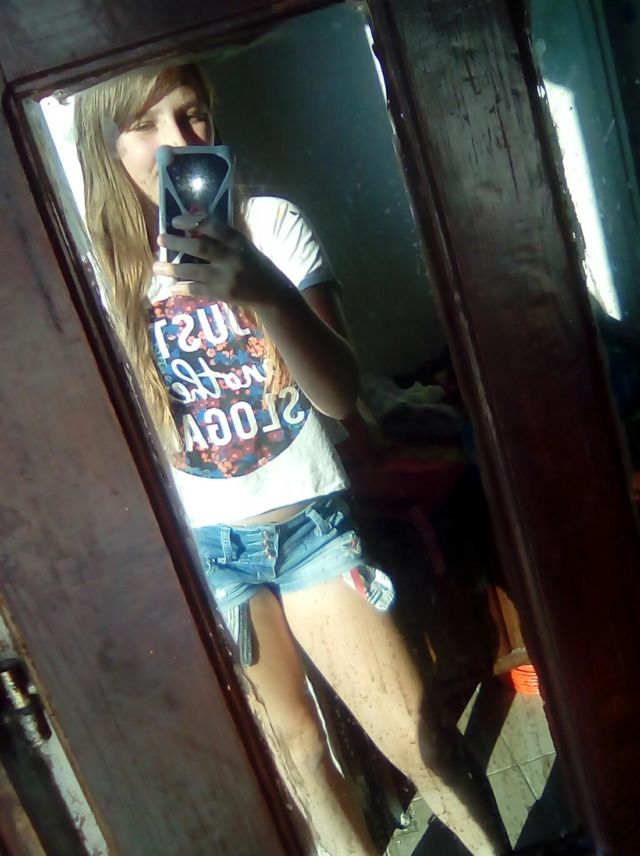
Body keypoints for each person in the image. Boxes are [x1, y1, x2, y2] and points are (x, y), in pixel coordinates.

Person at [74, 62, 509, 855]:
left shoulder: (269, 224)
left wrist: (263, 290)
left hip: (310, 528)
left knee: (422, 741)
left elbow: (339, 395)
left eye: (193, 114)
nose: (179, 142)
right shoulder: (104, 284)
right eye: (146, 124)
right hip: (211, 550)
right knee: (301, 760)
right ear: (107, 145)